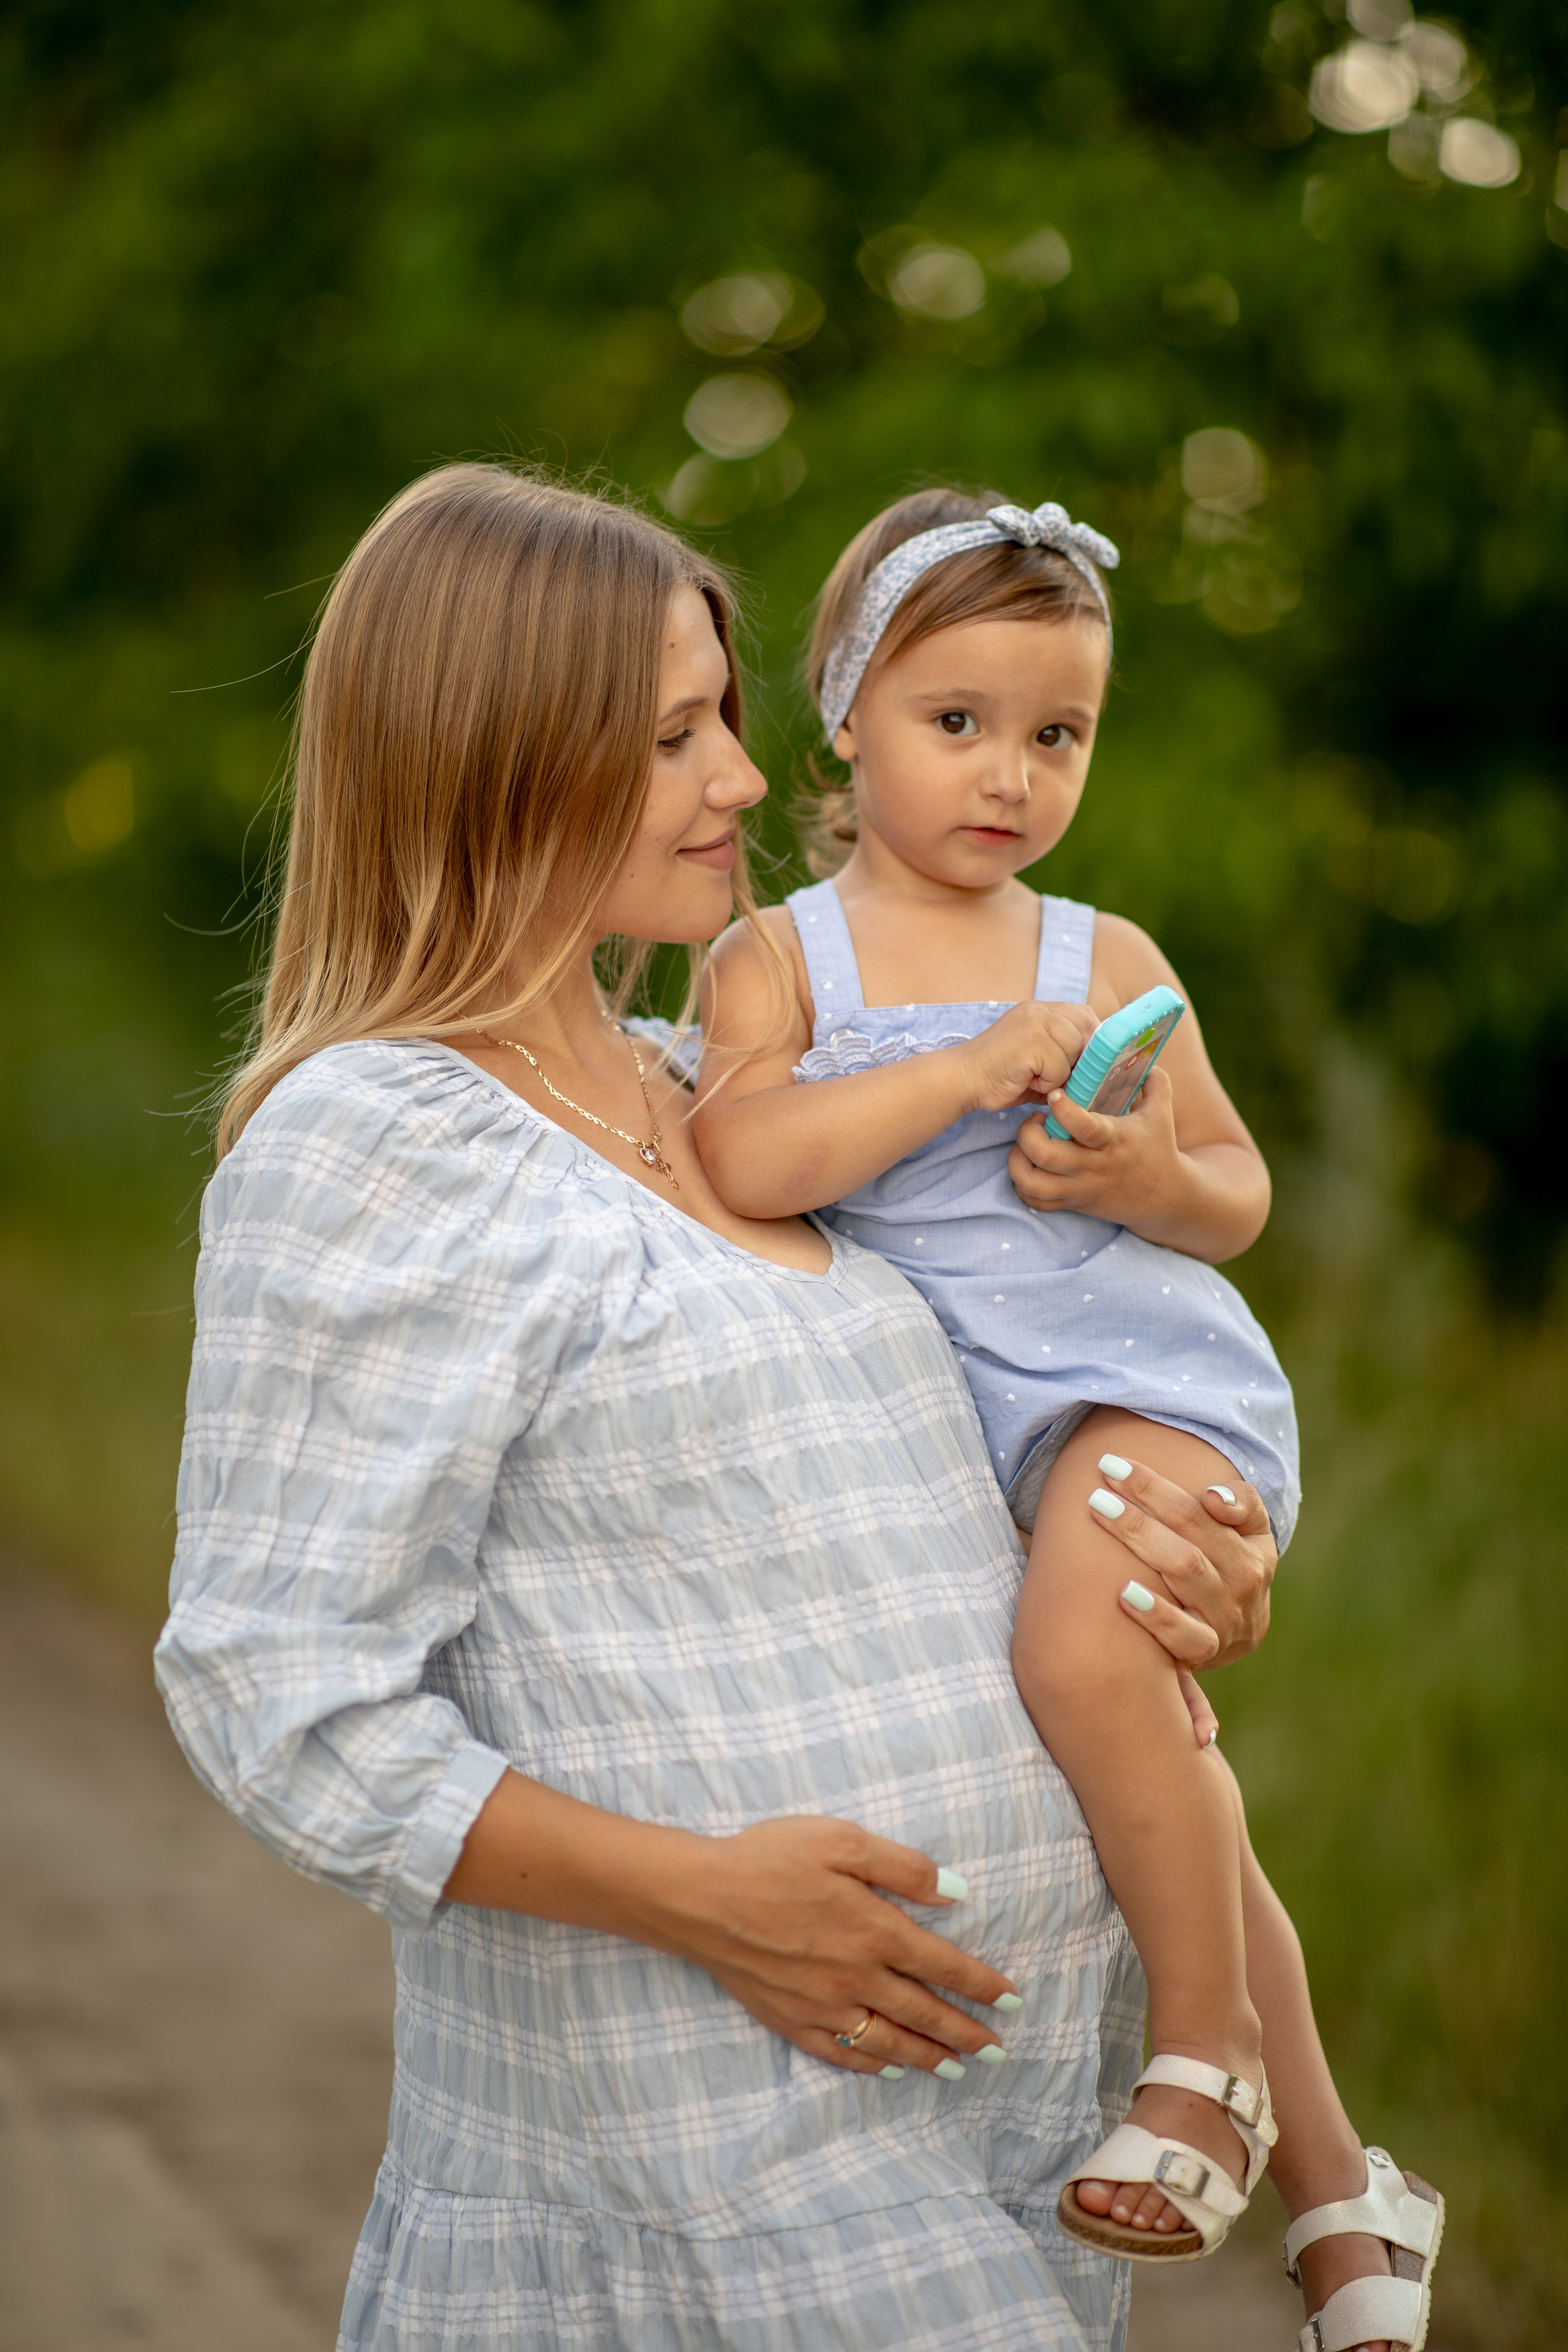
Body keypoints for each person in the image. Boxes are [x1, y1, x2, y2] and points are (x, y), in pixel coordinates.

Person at [155, 462, 1283, 2352]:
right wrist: (707, 1898)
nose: (747, 782)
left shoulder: (725, 1090)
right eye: (675, 736)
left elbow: (972, 1444)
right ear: (499, 757)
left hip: (988, 2132)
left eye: (729, 722)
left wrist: (1169, 1557)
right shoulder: (384, 1138)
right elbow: (278, 1694)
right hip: (694, 2167)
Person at [692, 488, 1443, 2352]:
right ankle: (1345, 2197)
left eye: (1059, 734)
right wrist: (957, 1073)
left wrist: (1140, 1179)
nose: (1009, 775)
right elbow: (747, 1154)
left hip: (1132, 1383)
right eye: (958, 721)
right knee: (1152, 1772)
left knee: (1091, 1678)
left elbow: (1237, 1190)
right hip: (971, 1436)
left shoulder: (1101, 956)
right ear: (843, 720)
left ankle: (1204, 2063)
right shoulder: (778, 959)